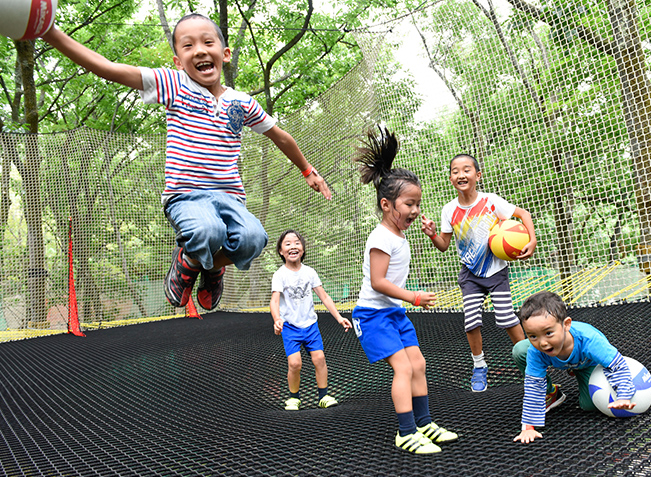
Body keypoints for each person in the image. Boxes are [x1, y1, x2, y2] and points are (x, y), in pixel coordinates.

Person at [41, 14, 331, 311]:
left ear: (225, 54)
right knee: (209, 231)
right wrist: (50, 33)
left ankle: (208, 267)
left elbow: (280, 136)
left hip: (230, 196)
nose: (200, 51)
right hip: (186, 195)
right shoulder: (173, 84)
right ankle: (188, 260)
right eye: (188, 46)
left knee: (253, 239)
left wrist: (308, 171)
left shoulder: (241, 103)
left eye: (208, 42)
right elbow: (110, 69)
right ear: (178, 61)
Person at [351, 126, 458, 454]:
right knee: (404, 367)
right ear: (386, 204)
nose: (414, 210)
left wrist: (430, 234)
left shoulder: (398, 234)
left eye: (417, 204)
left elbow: (437, 248)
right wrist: (413, 297)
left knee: (419, 364)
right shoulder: (381, 237)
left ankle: (425, 423)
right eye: (408, 204)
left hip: (393, 313)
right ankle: (406, 431)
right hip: (372, 316)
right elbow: (378, 282)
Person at [421, 154, 536, 392]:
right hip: (470, 274)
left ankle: (531, 363)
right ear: (450, 177)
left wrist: (532, 240)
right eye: (455, 171)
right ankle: (479, 365)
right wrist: (432, 234)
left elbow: (523, 214)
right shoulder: (449, 210)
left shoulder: (491, 201)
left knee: (506, 317)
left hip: (496, 271)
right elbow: (443, 245)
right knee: (471, 320)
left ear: (477, 175)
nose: (460, 175)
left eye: (466, 170)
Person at [512, 291, 637, 444]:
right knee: (520, 350)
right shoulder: (537, 350)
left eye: (549, 333)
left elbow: (616, 365)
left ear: (566, 325)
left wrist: (624, 395)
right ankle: (552, 393)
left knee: (589, 405)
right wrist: (528, 428)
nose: (542, 343)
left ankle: (575, 369)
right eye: (533, 336)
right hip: (562, 359)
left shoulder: (589, 340)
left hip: (588, 364)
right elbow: (533, 386)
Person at [270, 229, 351, 411]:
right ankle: (293, 398)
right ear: (281, 251)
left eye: (297, 243)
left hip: (310, 325)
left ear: (303, 249)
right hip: (290, 326)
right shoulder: (280, 275)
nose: (293, 246)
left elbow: (325, 297)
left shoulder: (310, 272)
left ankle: (323, 396)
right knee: (295, 363)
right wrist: (277, 319)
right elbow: (274, 301)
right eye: (288, 243)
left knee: (320, 358)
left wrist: (339, 318)